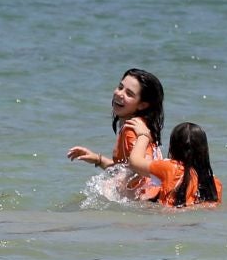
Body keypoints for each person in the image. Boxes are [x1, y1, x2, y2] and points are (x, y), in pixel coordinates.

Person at [66, 69, 166, 201]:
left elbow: (145, 168)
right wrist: (98, 159)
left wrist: (112, 185)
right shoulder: (140, 125)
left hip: (148, 202)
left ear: (142, 105)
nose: (120, 94)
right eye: (120, 87)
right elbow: (127, 169)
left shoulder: (132, 129)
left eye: (129, 93)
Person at [127, 121, 221, 209]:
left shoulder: (170, 167)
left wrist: (143, 136)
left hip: (169, 221)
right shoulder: (214, 183)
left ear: (172, 148)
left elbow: (134, 161)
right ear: (204, 150)